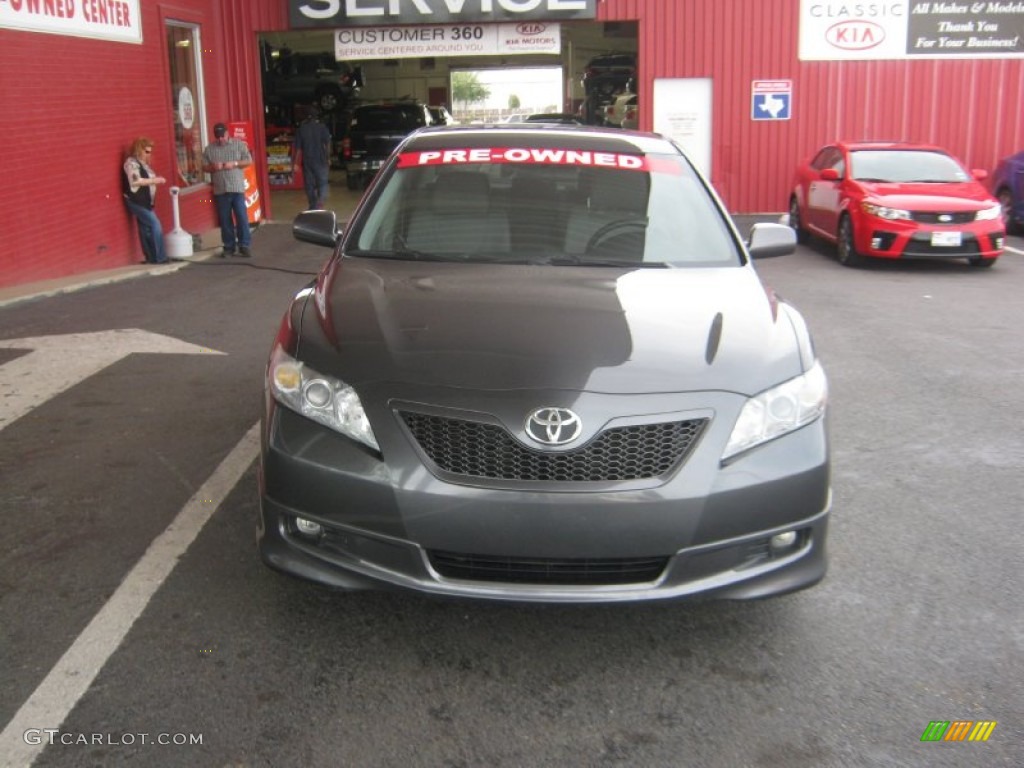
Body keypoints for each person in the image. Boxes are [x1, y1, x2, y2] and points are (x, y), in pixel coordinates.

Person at [202, 122, 253, 257]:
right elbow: (204, 167)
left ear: (227, 133)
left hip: (236, 187)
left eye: (222, 136)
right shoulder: (209, 149)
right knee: (225, 219)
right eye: (217, 137)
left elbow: (248, 160)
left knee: (241, 217)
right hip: (221, 188)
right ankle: (229, 246)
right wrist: (213, 167)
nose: (220, 139)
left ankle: (244, 244)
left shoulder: (238, 144)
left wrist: (235, 163)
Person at [122, 137, 168, 264]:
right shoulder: (131, 163)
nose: (149, 154)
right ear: (139, 150)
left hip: (146, 201)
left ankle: (151, 257)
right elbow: (135, 181)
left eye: (150, 151)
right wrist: (155, 180)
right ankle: (160, 256)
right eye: (146, 152)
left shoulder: (143, 164)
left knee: (144, 227)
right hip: (136, 200)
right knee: (155, 224)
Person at [292, 105, 332, 210]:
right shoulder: (322, 127)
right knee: (322, 182)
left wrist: (296, 163)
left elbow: (298, 149)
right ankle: (320, 202)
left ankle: (312, 206)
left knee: (309, 185)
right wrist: (328, 157)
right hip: (321, 159)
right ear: (316, 116)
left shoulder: (302, 129)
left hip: (307, 161)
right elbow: (327, 144)